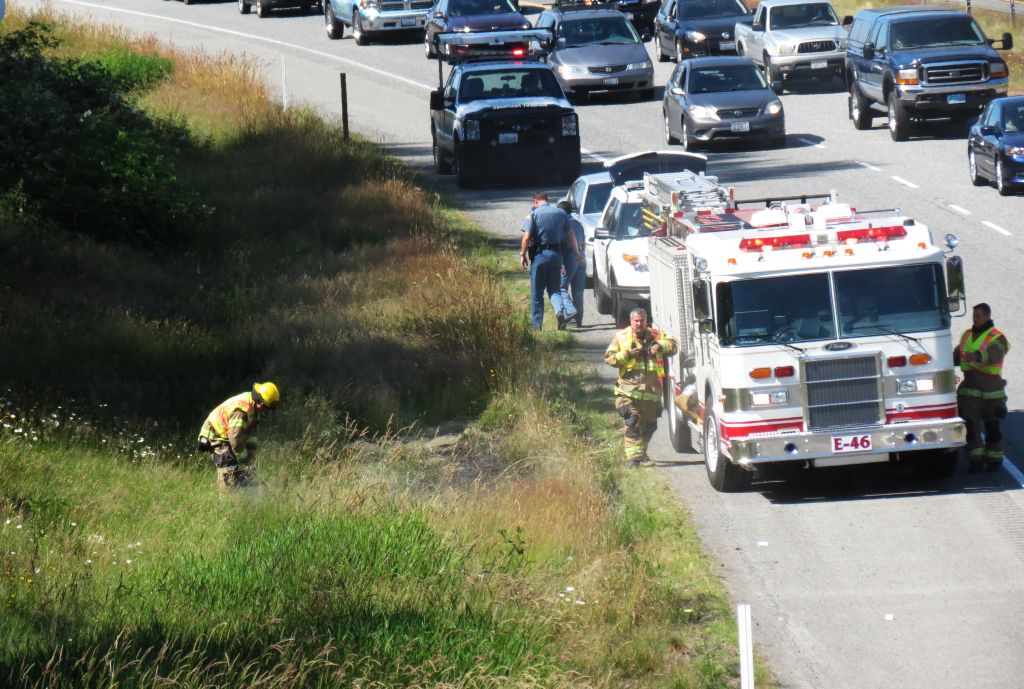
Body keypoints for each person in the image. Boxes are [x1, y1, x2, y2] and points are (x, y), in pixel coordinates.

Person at [604, 308, 678, 466]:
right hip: (627, 392)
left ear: (646, 321)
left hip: (651, 394)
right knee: (632, 420)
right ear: (631, 321)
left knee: (650, 427)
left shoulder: (656, 335)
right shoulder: (622, 337)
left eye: (642, 320)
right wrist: (627, 355)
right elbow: (609, 358)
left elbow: (673, 345)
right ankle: (633, 460)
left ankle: (641, 454)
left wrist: (659, 346)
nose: (639, 323)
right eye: (636, 321)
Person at [954, 303, 1010, 473]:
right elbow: (957, 355)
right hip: (970, 390)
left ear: (987, 316)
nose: (975, 319)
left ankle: (995, 461)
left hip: (992, 390)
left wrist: (977, 356)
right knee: (971, 428)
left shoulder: (997, 337)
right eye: (974, 316)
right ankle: (975, 461)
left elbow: (995, 354)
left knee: (993, 429)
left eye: (978, 316)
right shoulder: (967, 335)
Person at [197, 382, 280, 488]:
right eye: (266, 408)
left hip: (228, 435)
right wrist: (245, 459)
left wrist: (251, 455)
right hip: (216, 434)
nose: (266, 411)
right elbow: (235, 439)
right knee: (228, 469)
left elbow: (251, 432)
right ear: (261, 403)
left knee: (237, 471)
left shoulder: (255, 408)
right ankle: (225, 500)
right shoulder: (242, 410)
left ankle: (240, 497)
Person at [520, 191, 582, 330]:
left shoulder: (534, 214)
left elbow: (526, 237)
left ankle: (536, 327)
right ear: (547, 200)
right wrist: (577, 252)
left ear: (535, 201)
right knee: (554, 288)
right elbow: (571, 234)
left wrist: (522, 255)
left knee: (537, 292)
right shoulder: (560, 213)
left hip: (540, 255)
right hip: (557, 255)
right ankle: (559, 312)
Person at [555, 200, 587, 328]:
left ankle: (571, 313)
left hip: (569, 258)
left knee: (561, 288)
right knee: (578, 291)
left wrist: (561, 264)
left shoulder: (562, 225)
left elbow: (561, 246)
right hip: (581, 258)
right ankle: (579, 320)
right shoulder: (578, 224)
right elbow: (583, 242)